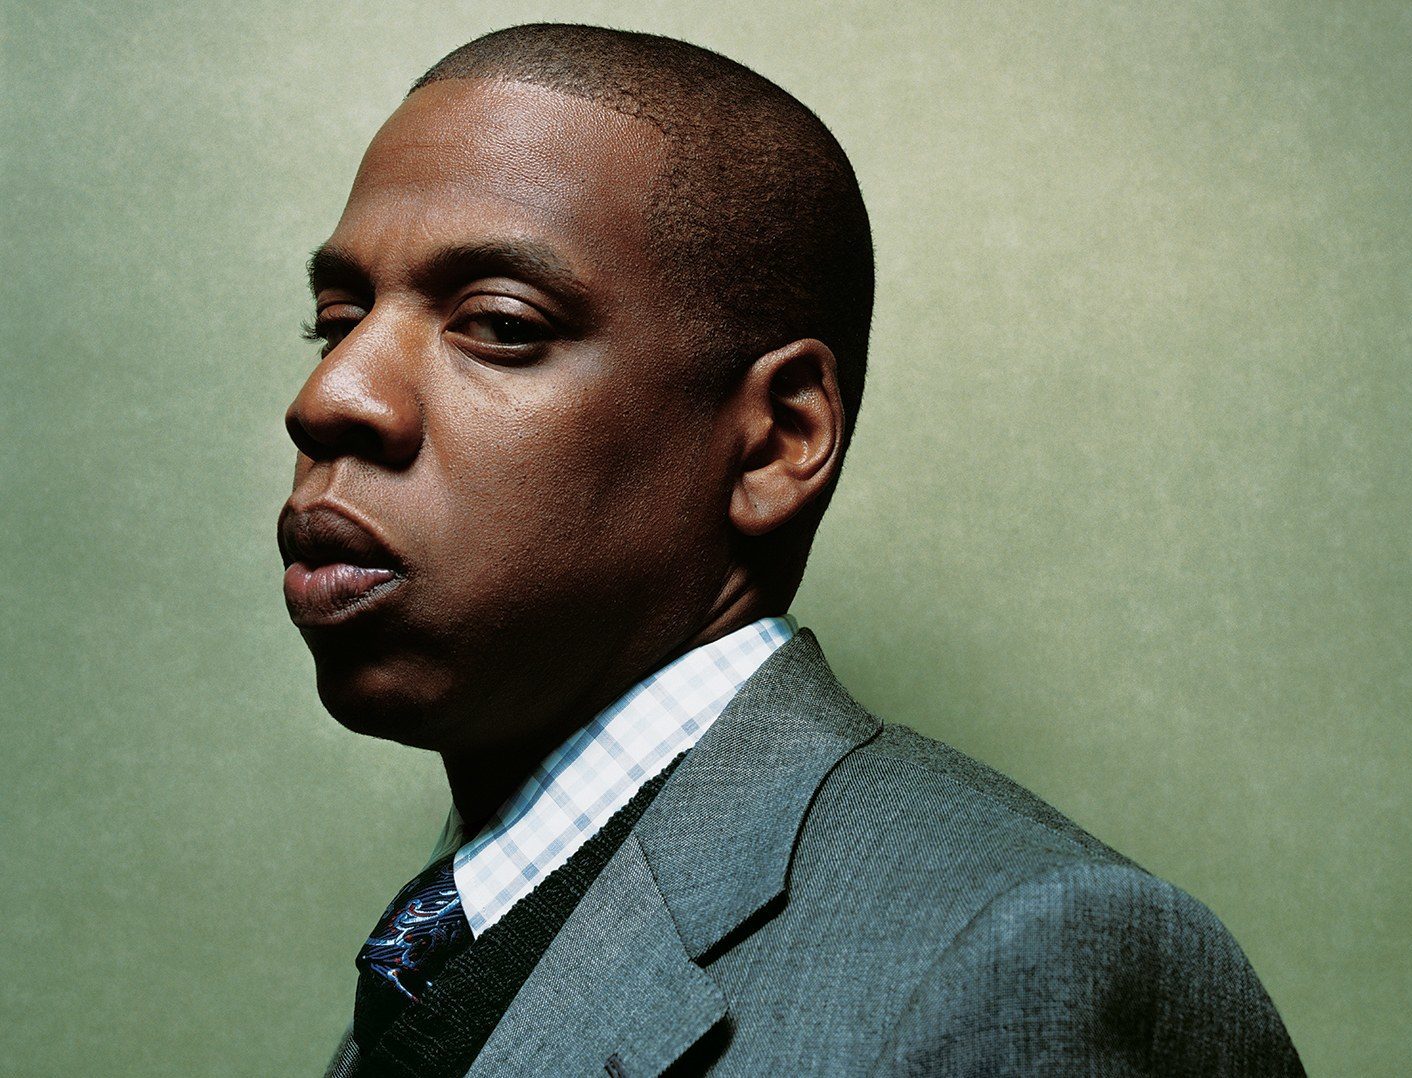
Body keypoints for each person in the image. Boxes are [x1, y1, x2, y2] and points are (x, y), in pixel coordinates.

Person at [278, 23, 1304, 1077]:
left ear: (776, 440)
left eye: (499, 323)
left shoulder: (1027, 959)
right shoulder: (445, 938)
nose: (329, 396)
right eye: (337, 320)